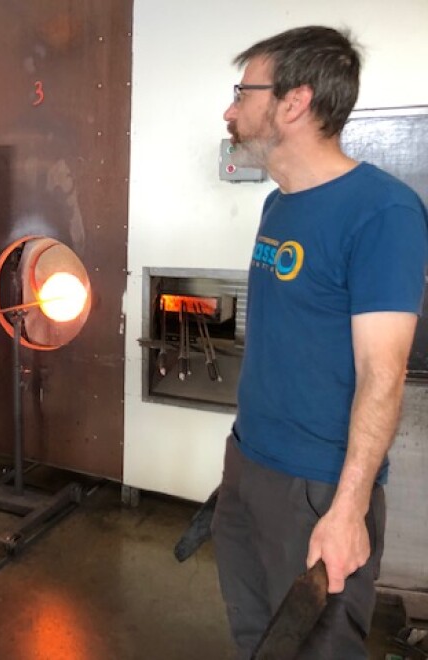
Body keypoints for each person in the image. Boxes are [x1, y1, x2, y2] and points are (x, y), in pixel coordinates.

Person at [211, 26, 428, 658]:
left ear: (294, 102)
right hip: (248, 466)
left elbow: (382, 373)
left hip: (317, 490)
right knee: (258, 642)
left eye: (242, 92)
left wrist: (348, 508)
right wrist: (238, 467)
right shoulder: (277, 205)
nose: (230, 109)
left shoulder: (382, 212)